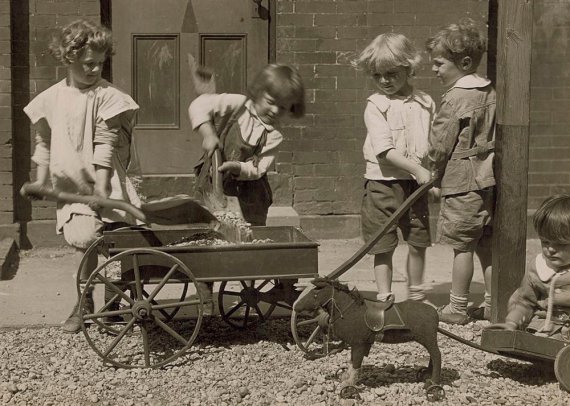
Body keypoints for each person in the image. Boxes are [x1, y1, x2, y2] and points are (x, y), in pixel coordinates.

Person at [23, 19, 141, 333]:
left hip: (107, 184)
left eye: (100, 64)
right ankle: (85, 298)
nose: (94, 70)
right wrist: (40, 179)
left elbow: (105, 143)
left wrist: (103, 189)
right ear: (69, 58)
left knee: (118, 242)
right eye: (88, 64)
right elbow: (43, 141)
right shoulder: (51, 99)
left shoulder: (107, 96)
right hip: (73, 185)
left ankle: (113, 300)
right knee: (86, 240)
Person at [188, 63, 306, 303]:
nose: (274, 110)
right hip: (215, 184)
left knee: (252, 235)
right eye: (270, 100)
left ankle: (253, 285)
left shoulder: (273, 134)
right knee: (210, 235)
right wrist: (209, 133)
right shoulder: (236, 104)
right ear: (258, 92)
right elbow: (199, 104)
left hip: (250, 191)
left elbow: (259, 168)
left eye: (282, 108)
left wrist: (239, 168)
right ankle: (204, 288)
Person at [352, 33, 435, 304]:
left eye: (392, 73)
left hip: (415, 185)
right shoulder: (376, 105)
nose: (385, 81)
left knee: (418, 241)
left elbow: (432, 142)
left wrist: (431, 173)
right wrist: (418, 170)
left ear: (408, 69)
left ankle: (416, 296)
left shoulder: (425, 102)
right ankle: (385, 296)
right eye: (378, 75)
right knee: (382, 244)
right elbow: (385, 152)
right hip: (383, 184)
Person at [425, 18, 496, 324]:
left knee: (462, 246)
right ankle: (495, 304)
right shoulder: (489, 92)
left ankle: (457, 307)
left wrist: (432, 172)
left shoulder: (455, 98)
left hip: (461, 182)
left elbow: (440, 144)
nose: (434, 70)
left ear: (464, 63)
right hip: (487, 178)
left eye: (439, 63)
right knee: (485, 245)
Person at [487, 195, 570, 341]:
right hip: (544, 328)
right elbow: (525, 301)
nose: (550, 249)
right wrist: (512, 321)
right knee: (534, 338)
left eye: (560, 244)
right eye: (545, 242)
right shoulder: (538, 268)